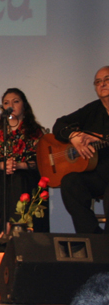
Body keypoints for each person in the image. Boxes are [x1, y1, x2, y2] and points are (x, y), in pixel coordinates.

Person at [0, 88, 48, 237]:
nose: (11, 105)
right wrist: (2, 165)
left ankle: (17, 229)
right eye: (6, 103)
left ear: (24, 105)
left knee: (18, 179)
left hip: (26, 173)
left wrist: (19, 165)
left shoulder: (35, 131)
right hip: (2, 173)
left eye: (16, 101)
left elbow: (40, 161)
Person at [53, 66, 109, 234]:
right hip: (98, 173)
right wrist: (73, 136)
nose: (102, 84)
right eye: (98, 82)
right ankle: (92, 237)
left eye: (107, 79)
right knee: (70, 183)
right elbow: (59, 124)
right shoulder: (93, 109)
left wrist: (102, 138)